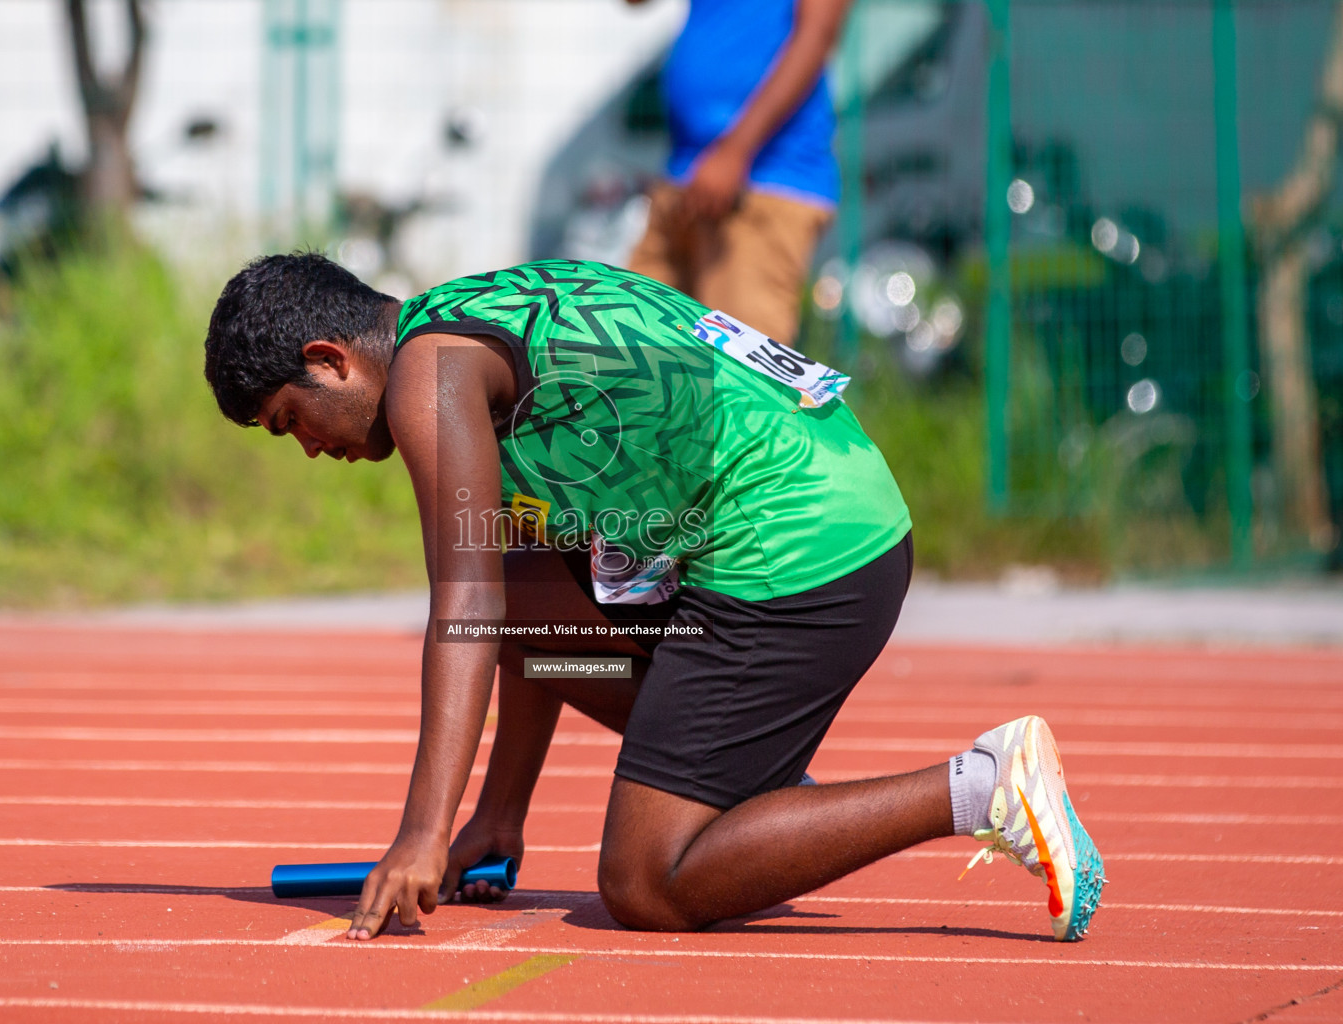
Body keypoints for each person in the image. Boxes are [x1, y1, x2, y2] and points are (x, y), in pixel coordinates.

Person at [202, 253, 1105, 943]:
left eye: (292, 421)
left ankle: (982, 786)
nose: (310, 450)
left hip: (807, 559)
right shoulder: (471, 318)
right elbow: (518, 606)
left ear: (332, 359)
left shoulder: (428, 379)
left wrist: (421, 833)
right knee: (528, 593)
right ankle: (748, 787)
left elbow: (465, 602)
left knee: (644, 883)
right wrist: (497, 814)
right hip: (820, 509)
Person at [624, 0, 850, 346]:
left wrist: (736, 151)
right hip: (684, 178)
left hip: (764, 180)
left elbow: (817, 33)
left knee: (740, 380)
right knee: (629, 364)